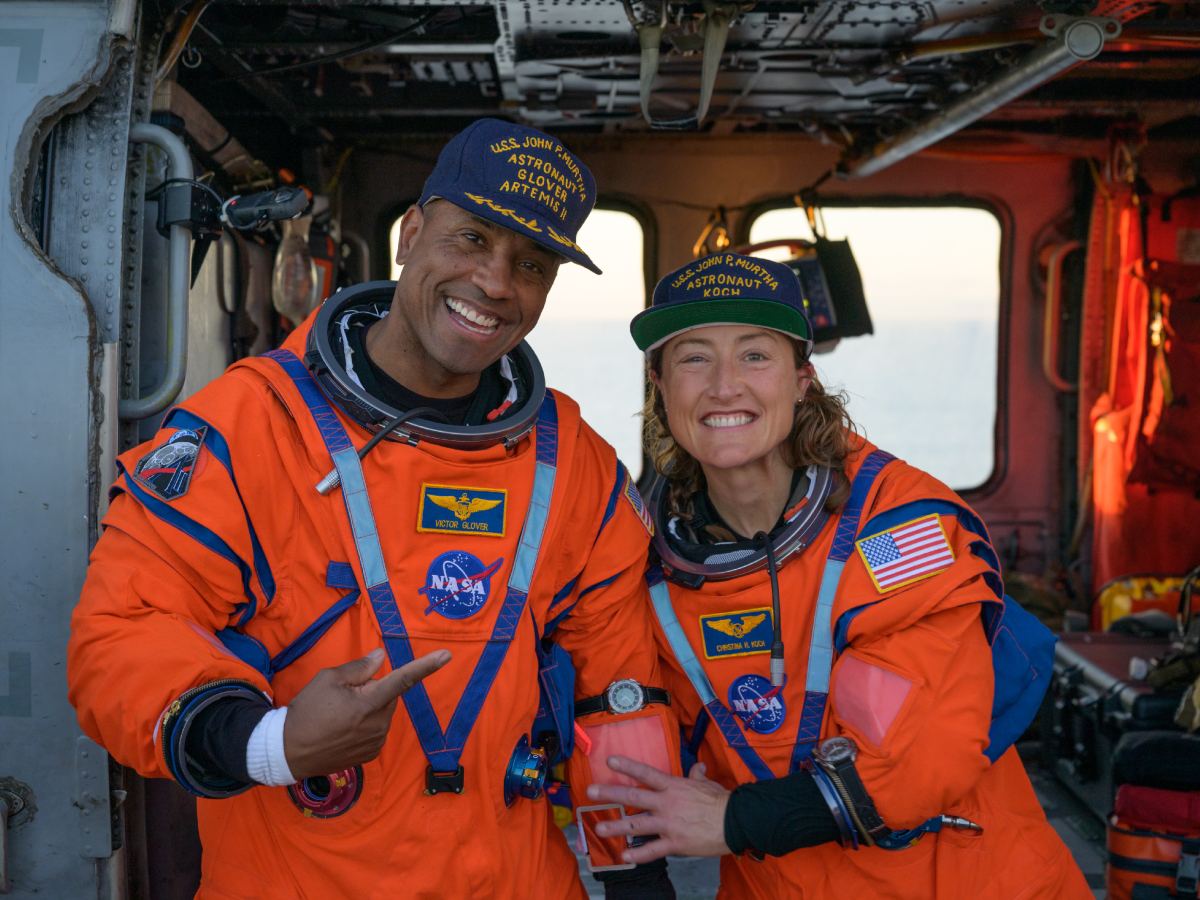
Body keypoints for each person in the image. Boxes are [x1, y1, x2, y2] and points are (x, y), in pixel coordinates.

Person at [67, 119, 679, 899]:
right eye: (471, 239)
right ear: (411, 233)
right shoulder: (250, 427)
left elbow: (618, 690)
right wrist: (271, 742)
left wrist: (639, 879)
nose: (496, 282)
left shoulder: (574, 462)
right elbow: (120, 634)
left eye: (531, 263)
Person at [585, 252, 1091, 898]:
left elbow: (921, 754)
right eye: (693, 358)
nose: (723, 385)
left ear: (802, 379)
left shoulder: (896, 523)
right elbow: (622, 733)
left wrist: (735, 820)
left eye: (755, 355)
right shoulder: (647, 565)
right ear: (658, 383)